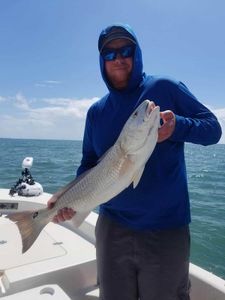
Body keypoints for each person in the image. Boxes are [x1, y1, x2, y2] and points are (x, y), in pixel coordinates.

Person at [48, 24, 222, 300]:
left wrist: (178, 127)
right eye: (109, 54)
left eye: (125, 50)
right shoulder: (96, 112)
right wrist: (69, 200)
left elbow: (213, 130)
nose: (118, 58)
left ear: (137, 53)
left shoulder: (165, 87)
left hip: (165, 229)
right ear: (102, 62)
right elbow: (88, 164)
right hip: (111, 228)